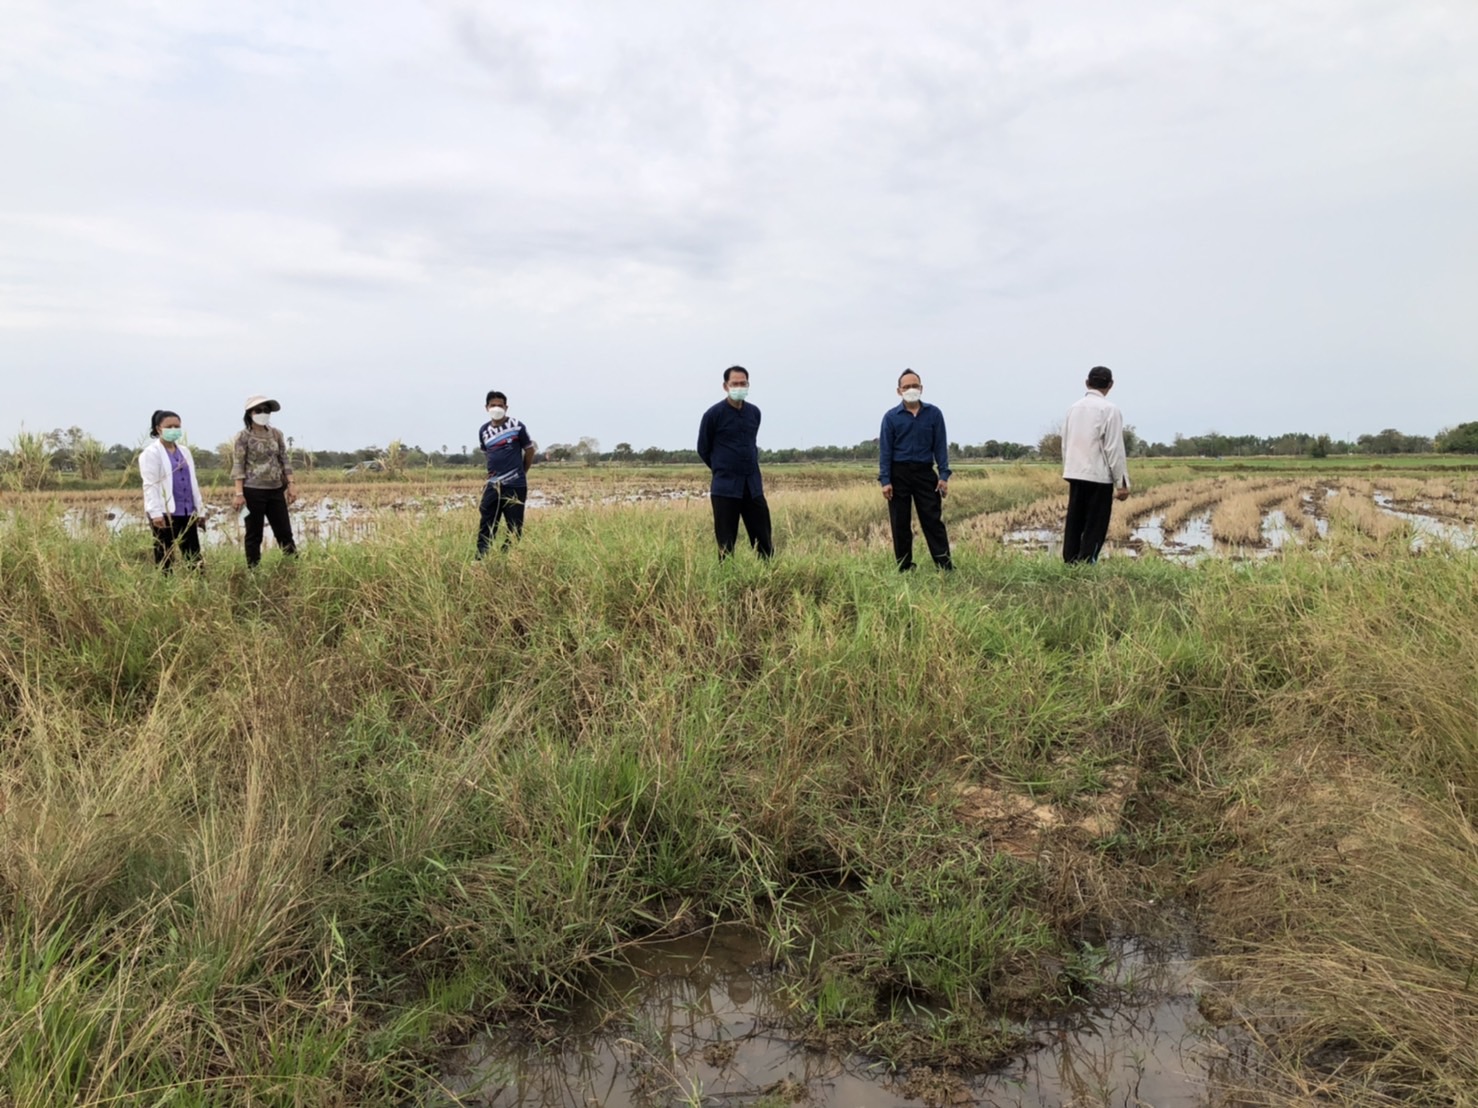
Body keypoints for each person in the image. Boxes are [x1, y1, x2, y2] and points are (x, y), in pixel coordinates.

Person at [879, 369, 953, 572]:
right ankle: (904, 568)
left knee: (932, 521)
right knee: (900, 523)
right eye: (906, 387)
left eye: (914, 386)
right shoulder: (891, 417)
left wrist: (944, 475)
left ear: (921, 388)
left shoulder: (934, 414)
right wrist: (885, 480)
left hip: (925, 473)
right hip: (899, 474)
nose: (911, 389)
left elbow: (940, 446)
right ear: (899, 391)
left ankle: (944, 566)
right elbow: (885, 451)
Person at [697, 365, 773, 560]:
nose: (739, 387)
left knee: (764, 540)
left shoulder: (754, 413)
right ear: (725, 386)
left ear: (748, 385)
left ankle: (768, 575)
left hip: (752, 486)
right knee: (726, 543)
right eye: (735, 384)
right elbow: (703, 448)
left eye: (743, 383)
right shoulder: (713, 415)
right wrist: (721, 467)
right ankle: (727, 578)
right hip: (725, 488)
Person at [1060, 366, 1131, 563]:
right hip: (1099, 476)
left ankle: (1070, 563)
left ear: (1087, 383)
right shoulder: (1110, 410)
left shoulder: (1073, 409)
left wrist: (1068, 469)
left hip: (1075, 473)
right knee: (1095, 525)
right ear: (1110, 385)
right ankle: (1087, 564)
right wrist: (1121, 483)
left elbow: (1065, 443)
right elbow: (1114, 448)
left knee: (1074, 522)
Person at [231, 395, 298, 567]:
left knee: (284, 532)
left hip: (276, 490)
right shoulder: (243, 436)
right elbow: (239, 465)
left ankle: (293, 567)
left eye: (266, 410)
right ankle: (254, 571)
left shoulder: (276, 434)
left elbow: (284, 460)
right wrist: (239, 494)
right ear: (250, 413)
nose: (263, 413)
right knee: (254, 535)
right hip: (252, 491)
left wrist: (291, 484)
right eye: (258, 410)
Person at [139, 409, 205, 570]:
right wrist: (155, 513)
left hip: (187, 511)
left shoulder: (185, 451)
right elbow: (150, 484)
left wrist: (200, 510)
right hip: (165, 512)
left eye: (177, 426)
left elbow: (193, 481)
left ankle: (197, 582)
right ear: (158, 429)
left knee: (193, 555)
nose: (174, 430)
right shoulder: (151, 453)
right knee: (165, 555)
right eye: (169, 427)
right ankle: (164, 582)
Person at [476, 390, 535, 557]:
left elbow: (530, 451)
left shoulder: (517, 426)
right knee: (487, 521)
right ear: (486, 407)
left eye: (500, 405)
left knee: (514, 525)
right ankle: (481, 557)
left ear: (506, 407)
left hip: (515, 484)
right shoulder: (483, 431)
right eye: (493, 405)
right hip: (493, 485)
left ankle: (508, 557)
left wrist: (522, 472)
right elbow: (487, 454)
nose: (496, 408)